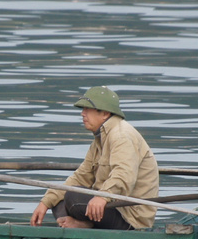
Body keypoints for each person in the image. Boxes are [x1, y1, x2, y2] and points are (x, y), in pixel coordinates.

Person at [29, 86, 160, 230]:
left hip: (129, 218)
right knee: (58, 198)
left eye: (87, 109)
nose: (82, 114)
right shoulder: (100, 139)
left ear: (104, 113)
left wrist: (103, 196)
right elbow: (81, 177)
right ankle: (81, 225)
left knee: (73, 196)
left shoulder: (121, 135)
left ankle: (86, 225)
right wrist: (45, 203)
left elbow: (124, 175)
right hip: (109, 208)